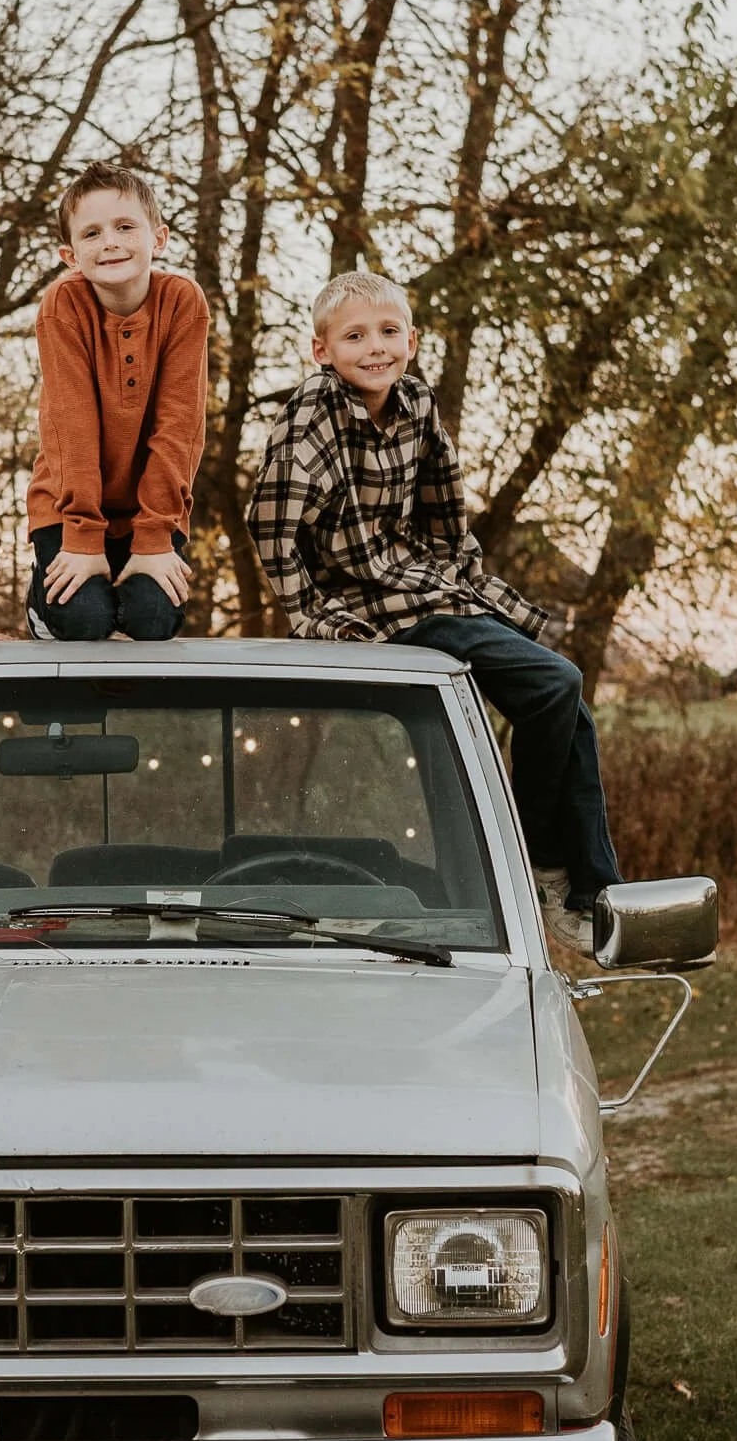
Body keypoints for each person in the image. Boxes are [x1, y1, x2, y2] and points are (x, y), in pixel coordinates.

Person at [245, 267, 620, 952]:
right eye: (355, 336)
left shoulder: (416, 402)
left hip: (423, 584)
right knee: (556, 683)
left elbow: (445, 510)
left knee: (571, 709)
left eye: (389, 332)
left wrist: (463, 580)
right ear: (321, 351)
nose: (375, 347)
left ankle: (594, 890)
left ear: (412, 340)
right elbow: (269, 524)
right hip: (371, 603)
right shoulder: (311, 414)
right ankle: (536, 860)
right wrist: (313, 616)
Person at [26, 163, 209, 640]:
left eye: (125, 227)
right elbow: (72, 428)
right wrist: (82, 538)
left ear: (159, 238)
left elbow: (180, 425)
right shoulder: (63, 305)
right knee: (85, 619)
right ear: (71, 254)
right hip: (69, 506)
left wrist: (155, 535)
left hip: (150, 509)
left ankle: (135, 581)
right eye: (92, 233)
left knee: (151, 620)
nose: (110, 242)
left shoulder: (183, 302)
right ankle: (38, 603)